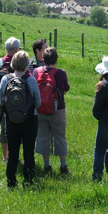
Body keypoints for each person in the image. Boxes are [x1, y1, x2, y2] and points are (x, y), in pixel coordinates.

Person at [0, 51, 41, 188]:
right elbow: (38, 102)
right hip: (29, 121)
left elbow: (1, 100)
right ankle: (28, 181)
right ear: (27, 65)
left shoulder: (5, 79)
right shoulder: (31, 81)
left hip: (11, 121)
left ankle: (11, 181)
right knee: (28, 152)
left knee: (13, 153)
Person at [33, 47, 71, 175]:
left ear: (43, 59)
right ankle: (63, 166)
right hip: (57, 109)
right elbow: (66, 88)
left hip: (40, 109)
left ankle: (46, 166)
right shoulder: (61, 73)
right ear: (56, 59)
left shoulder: (36, 71)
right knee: (60, 136)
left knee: (43, 136)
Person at [0, 37, 20, 162]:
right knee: (16, 127)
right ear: (16, 49)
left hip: (1, 100)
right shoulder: (18, 62)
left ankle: (5, 156)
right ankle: (14, 155)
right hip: (16, 100)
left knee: (3, 127)